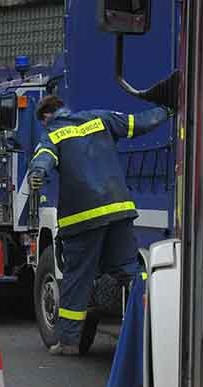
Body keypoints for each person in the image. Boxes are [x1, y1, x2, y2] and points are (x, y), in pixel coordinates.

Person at [28, 95, 172, 355]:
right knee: (130, 271)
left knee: (77, 280)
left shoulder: (53, 133)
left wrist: (37, 173)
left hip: (83, 219)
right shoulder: (99, 118)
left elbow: (43, 157)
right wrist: (166, 109)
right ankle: (154, 327)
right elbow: (138, 123)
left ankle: (69, 342)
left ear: (46, 116)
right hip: (119, 209)